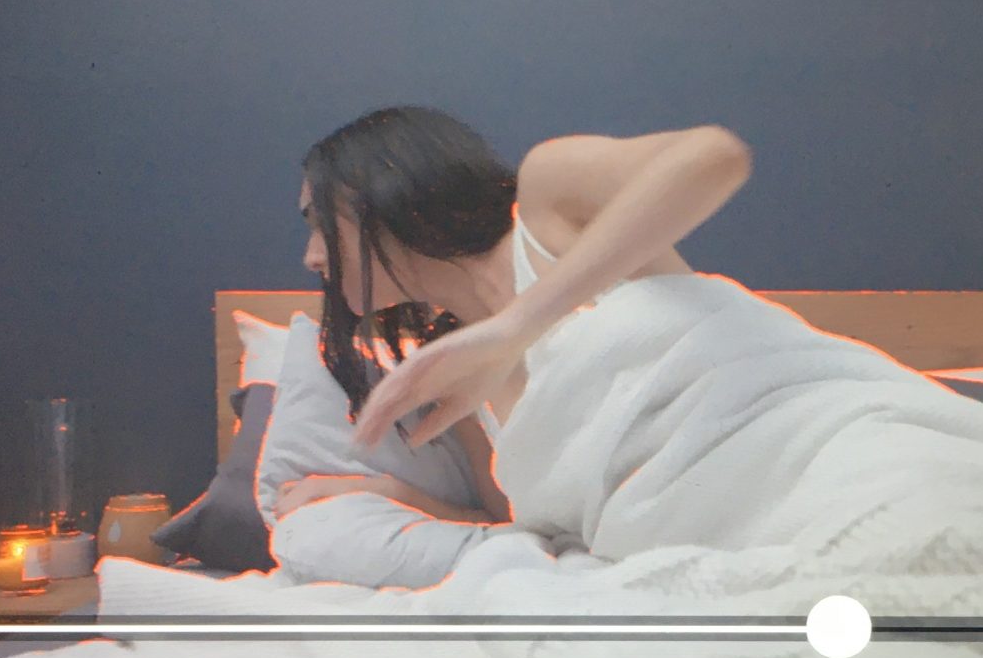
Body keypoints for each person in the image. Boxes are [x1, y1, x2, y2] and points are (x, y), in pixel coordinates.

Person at [288, 104, 753, 522]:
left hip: (768, 458)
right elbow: (517, 527)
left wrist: (514, 327)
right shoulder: (456, 374)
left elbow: (715, 156)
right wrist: (387, 494)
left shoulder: (548, 202)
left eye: (317, 222)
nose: (311, 257)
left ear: (379, 193)